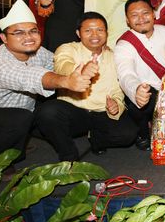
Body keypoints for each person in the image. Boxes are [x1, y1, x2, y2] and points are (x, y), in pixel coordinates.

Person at [0, 0, 92, 173]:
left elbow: (56, 63)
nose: (28, 37)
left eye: (33, 31)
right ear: (4, 38)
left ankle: (62, 157)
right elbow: (34, 77)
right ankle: (2, 166)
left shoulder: (36, 51)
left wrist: (82, 63)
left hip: (21, 112)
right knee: (19, 118)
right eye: (18, 33)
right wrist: (66, 81)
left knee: (50, 112)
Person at [35, 12, 137, 161]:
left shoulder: (113, 57)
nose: (95, 35)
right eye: (88, 30)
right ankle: (68, 156)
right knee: (48, 112)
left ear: (106, 33)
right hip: (75, 111)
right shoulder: (67, 49)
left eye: (100, 30)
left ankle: (96, 139)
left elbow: (118, 89)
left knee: (128, 134)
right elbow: (62, 65)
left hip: (101, 111)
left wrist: (116, 103)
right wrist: (79, 72)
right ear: (78, 33)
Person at [115, 0, 165, 150]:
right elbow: (125, 74)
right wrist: (136, 90)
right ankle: (143, 133)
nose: (141, 19)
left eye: (145, 13)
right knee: (139, 101)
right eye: (134, 15)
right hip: (147, 93)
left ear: (154, 14)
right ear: (127, 20)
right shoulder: (124, 44)